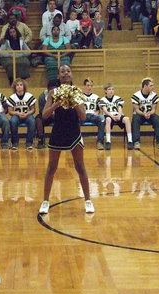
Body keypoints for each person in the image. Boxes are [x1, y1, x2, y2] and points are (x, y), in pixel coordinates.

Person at [39, 65, 94, 214]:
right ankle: (45, 201)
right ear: (58, 75)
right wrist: (58, 103)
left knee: (80, 166)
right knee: (51, 167)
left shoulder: (77, 92)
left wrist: (73, 101)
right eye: (62, 72)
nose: (65, 74)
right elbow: (44, 115)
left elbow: (83, 116)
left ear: (72, 74)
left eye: (68, 71)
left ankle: (88, 200)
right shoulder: (52, 93)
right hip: (58, 131)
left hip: (74, 131)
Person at [131, 78, 159, 150]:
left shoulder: (154, 95)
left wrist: (149, 113)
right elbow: (136, 110)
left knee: (157, 119)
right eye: (151, 85)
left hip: (150, 114)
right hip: (140, 114)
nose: (153, 87)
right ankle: (136, 142)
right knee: (135, 119)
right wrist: (144, 114)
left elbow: (154, 109)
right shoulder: (136, 95)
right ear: (145, 86)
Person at [99, 83, 133, 150]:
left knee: (127, 119)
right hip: (108, 115)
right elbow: (105, 110)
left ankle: (130, 140)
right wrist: (112, 116)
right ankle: (108, 141)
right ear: (105, 91)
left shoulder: (117, 98)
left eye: (112, 89)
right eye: (109, 89)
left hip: (117, 115)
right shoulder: (102, 99)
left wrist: (119, 115)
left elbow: (120, 108)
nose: (111, 91)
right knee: (108, 119)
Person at [7, 79, 36, 150]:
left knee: (32, 121)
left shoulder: (29, 96)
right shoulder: (12, 97)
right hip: (17, 115)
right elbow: (10, 111)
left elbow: (33, 110)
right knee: (13, 121)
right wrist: (17, 113)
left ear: (24, 86)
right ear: (15, 87)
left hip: (27, 115)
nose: (19, 87)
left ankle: (29, 143)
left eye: (21, 85)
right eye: (17, 85)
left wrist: (27, 114)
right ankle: (15, 143)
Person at [82, 78, 105, 150]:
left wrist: (96, 113)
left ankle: (100, 142)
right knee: (74, 120)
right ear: (84, 86)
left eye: (91, 86)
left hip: (92, 115)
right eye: (88, 85)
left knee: (102, 119)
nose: (89, 87)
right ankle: (77, 141)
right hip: (83, 115)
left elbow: (98, 109)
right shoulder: (80, 96)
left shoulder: (96, 97)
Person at [36, 80, 57, 149]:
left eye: (55, 89)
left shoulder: (62, 95)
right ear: (48, 89)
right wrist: (50, 112)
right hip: (47, 115)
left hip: (58, 115)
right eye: (51, 89)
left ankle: (63, 139)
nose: (53, 91)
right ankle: (41, 139)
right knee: (38, 119)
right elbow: (42, 111)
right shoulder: (42, 96)